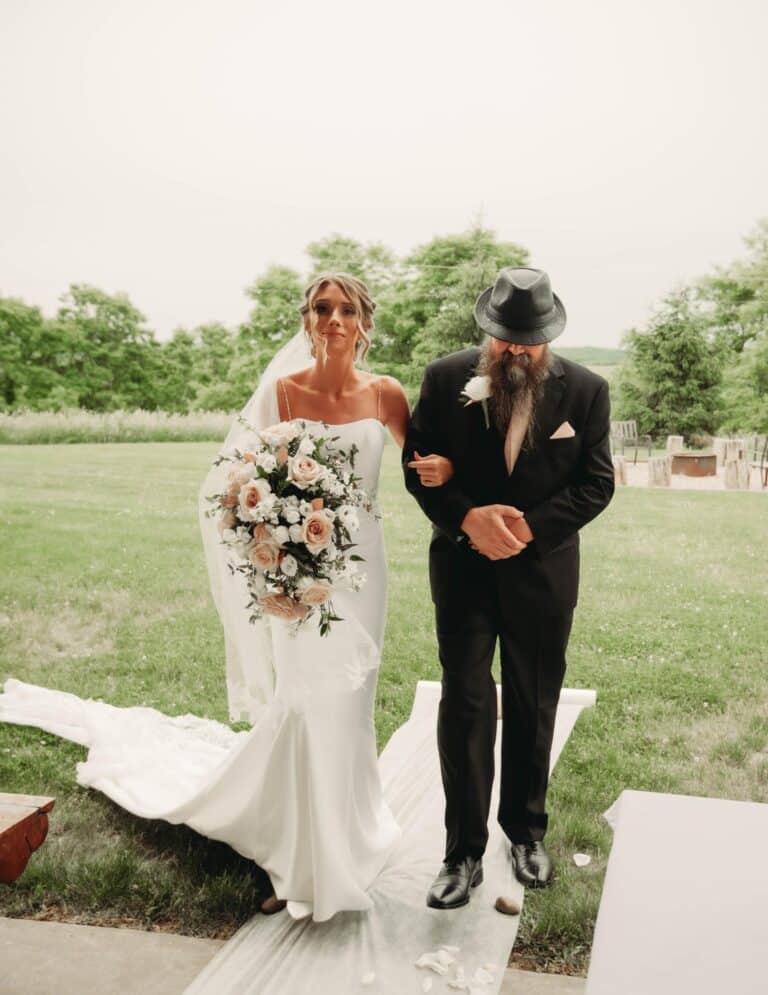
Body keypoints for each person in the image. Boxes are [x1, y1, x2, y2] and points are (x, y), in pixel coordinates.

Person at [0, 272, 453, 923]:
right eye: (321, 307)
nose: (332, 318)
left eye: (345, 308)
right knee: (301, 704)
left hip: (360, 573)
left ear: (363, 321)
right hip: (291, 575)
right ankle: (296, 859)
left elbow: (420, 467)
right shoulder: (281, 390)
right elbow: (237, 483)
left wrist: (445, 470)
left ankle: (350, 834)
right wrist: (268, 560)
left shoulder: (386, 394)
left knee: (348, 707)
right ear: (306, 319)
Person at [403, 266, 614, 909]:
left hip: (543, 573)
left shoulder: (587, 390)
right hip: (463, 569)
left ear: (548, 333)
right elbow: (421, 468)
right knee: (466, 702)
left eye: (527, 341)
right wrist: (468, 517)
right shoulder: (444, 378)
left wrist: (525, 528)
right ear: (487, 331)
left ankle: (524, 833)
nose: (515, 352)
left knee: (534, 699)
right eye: (504, 340)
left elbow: (595, 483)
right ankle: (461, 853)